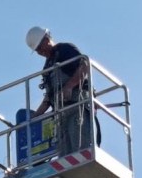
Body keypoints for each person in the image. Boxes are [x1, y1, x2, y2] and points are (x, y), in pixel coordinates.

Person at [26, 26, 93, 155]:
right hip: (60, 114)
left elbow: (84, 66)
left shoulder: (65, 50)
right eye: (37, 50)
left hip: (76, 106)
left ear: (47, 38)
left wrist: (69, 86)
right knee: (64, 155)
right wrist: (35, 117)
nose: (40, 52)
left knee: (79, 150)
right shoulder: (47, 67)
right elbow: (49, 96)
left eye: (40, 47)